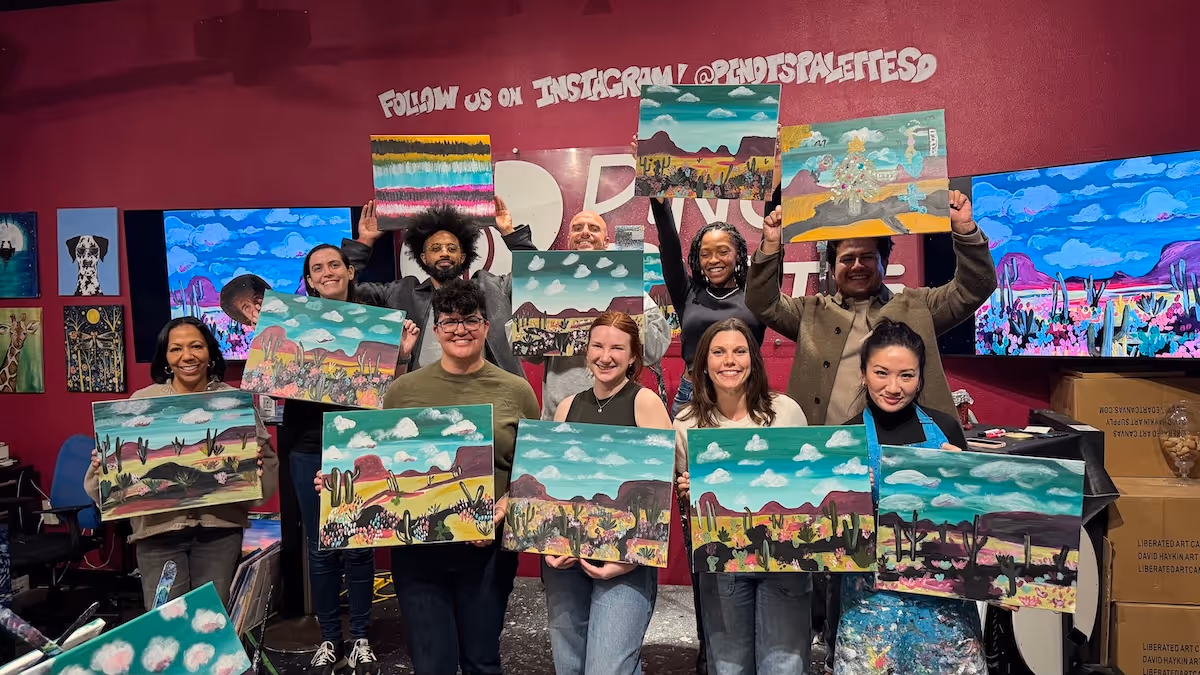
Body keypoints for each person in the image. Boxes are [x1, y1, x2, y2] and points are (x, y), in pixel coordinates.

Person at [370, 278, 539, 674]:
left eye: (471, 320)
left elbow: (530, 466)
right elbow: (384, 463)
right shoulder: (402, 391)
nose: (460, 329)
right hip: (417, 551)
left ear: (485, 326)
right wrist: (340, 484)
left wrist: (507, 503)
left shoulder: (515, 390)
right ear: (436, 328)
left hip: (487, 548)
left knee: (481, 659)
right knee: (431, 663)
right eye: (449, 321)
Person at [281, 243, 419, 675]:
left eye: (334, 265)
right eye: (317, 268)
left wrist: (403, 354)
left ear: (349, 271)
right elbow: (277, 385)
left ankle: (359, 635)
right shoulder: (293, 323)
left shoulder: (375, 324)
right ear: (309, 279)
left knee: (358, 543)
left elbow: (392, 391)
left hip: (361, 444)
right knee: (320, 546)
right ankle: (328, 638)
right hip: (307, 444)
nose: (327, 272)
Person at [746, 191, 996, 426]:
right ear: (832, 269)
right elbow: (762, 302)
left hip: (908, 451)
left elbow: (973, 288)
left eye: (867, 257)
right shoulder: (809, 313)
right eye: (847, 259)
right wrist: (770, 245)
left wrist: (965, 230)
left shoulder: (919, 307)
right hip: (827, 450)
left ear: (884, 262)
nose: (857, 266)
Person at [82, 317, 278, 609]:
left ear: (210, 353)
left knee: (210, 620)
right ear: (166, 358)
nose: (187, 356)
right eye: (176, 349)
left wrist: (255, 474)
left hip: (219, 532)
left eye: (196, 346)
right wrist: (105, 471)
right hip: (157, 534)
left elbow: (268, 471)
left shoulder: (234, 403)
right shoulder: (140, 403)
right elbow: (99, 487)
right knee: (167, 623)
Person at [834, 318, 983, 675]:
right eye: (882, 373)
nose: (893, 387)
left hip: (942, 609)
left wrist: (968, 481)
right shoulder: (846, 437)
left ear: (920, 377)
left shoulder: (946, 428)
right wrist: (845, 494)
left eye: (906, 375)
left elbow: (976, 525)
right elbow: (829, 538)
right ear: (864, 373)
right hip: (869, 608)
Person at [673, 318, 812, 675]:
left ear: (754, 359)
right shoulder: (687, 423)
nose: (729, 361)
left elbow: (808, 482)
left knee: (784, 665)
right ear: (704, 362)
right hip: (722, 567)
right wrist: (688, 490)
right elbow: (686, 503)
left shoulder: (786, 412)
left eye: (739, 351)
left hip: (784, 564)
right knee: (728, 666)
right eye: (718, 352)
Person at [539, 311, 672, 675]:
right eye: (597, 345)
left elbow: (660, 491)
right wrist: (549, 546)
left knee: (608, 668)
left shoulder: (644, 402)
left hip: (625, 564)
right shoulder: (567, 406)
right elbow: (553, 490)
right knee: (568, 665)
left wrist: (629, 560)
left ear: (633, 356)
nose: (605, 356)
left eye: (617, 347)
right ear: (586, 351)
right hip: (564, 563)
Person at [342, 197, 535, 375]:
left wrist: (510, 233)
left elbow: (536, 277)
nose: (444, 253)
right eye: (436, 248)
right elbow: (340, 294)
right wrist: (364, 242)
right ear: (423, 258)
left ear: (463, 257)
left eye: (452, 248)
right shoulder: (399, 293)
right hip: (422, 399)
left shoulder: (492, 288)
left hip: (488, 396)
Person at [520, 209, 672, 420]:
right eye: (577, 228)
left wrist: (626, 296)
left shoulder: (630, 287)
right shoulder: (545, 287)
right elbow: (527, 352)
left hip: (618, 413)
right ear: (568, 240)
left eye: (594, 228)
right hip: (560, 415)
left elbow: (654, 350)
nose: (585, 233)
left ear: (606, 241)